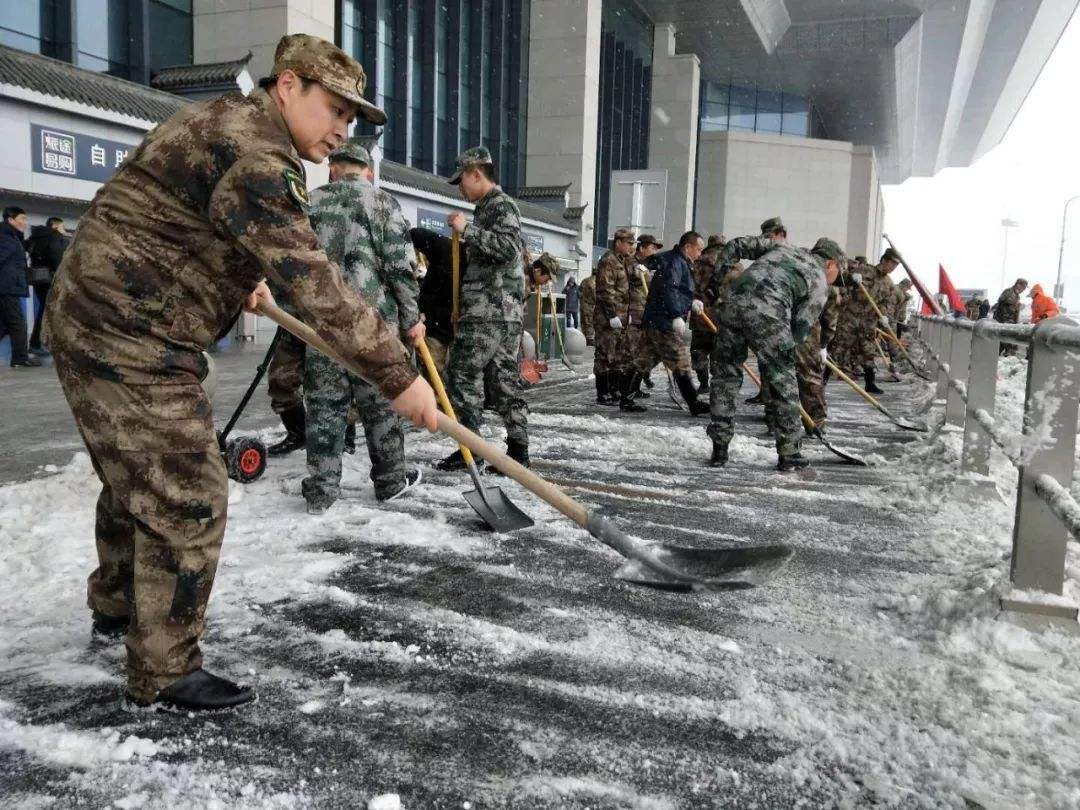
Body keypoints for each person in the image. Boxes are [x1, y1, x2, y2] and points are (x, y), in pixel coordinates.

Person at [41, 33, 438, 713]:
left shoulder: (226, 119)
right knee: (187, 489)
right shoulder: (258, 157)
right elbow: (317, 284)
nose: (344, 129)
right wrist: (400, 377)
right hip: (129, 329)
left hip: (108, 314)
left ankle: (117, 607)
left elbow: (177, 213)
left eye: (354, 119)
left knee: (137, 471)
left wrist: (235, 281)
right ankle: (162, 669)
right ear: (289, 87)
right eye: (335, 109)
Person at [303, 142, 426, 512]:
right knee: (381, 406)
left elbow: (292, 266)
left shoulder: (309, 202)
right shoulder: (383, 203)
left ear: (332, 168)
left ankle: (322, 490)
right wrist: (410, 321)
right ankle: (390, 481)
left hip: (322, 329)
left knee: (324, 408)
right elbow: (401, 269)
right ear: (365, 171)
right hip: (374, 329)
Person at [707, 236, 843, 471]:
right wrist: (781, 355)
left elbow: (737, 245)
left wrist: (719, 278)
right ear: (831, 264)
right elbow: (800, 328)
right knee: (783, 382)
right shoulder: (819, 281)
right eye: (837, 275)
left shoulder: (782, 246)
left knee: (725, 377)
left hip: (732, 303)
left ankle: (720, 449)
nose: (834, 281)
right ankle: (789, 451)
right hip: (769, 313)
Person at [436, 146, 530, 471]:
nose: (460, 187)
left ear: (476, 173)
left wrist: (467, 230)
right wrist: (462, 305)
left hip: (490, 311)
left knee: (461, 372)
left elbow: (506, 249)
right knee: (503, 380)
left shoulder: (500, 206)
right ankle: (518, 450)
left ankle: (470, 447)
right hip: (497, 310)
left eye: (461, 179)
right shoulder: (489, 208)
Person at [634, 231, 710, 415]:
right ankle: (694, 403)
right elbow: (669, 289)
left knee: (644, 359)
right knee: (680, 359)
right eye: (698, 249)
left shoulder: (678, 260)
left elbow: (680, 290)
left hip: (656, 319)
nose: (699, 253)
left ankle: (626, 398)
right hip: (663, 320)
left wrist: (690, 302)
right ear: (688, 247)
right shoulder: (676, 262)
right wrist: (676, 314)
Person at [592, 228, 634, 406]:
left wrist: (627, 314)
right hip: (607, 317)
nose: (631, 247)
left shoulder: (623, 261)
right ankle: (603, 391)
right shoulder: (609, 260)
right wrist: (611, 314)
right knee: (605, 355)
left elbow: (625, 291)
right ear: (618, 242)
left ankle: (614, 389)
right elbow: (605, 290)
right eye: (629, 243)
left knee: (618, 355)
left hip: (621, 315)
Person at [411, 227, 455, 379]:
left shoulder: (447, 250)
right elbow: (415, 234)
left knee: (436, 371)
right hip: (435, 325)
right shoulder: (446, 249)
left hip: (440, 328)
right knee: (434, 371)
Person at [0, 206, 41, 368]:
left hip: (8, 285)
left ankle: (20, 356)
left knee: (4, 324)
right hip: (7, 287)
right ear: (11, 220)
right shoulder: (5, 238)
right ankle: (20, 357)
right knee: (18, 323)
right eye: (22, 218)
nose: (25, 222)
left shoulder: (12, 236)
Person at [26, 216, 68, 355]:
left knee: (45, 310)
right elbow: (57, 258)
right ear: (55, 226)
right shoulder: (54, 237)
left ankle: (37, 343)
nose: (64, 229)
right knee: (51, 311)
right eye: (62, 226)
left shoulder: (36, 237)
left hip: (39, 278)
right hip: (51, 279)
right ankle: (37, 343)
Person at [994, 277, 1027, 356]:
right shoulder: (1009, 292)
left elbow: (1015, 310)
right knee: (1004, 339)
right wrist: (1014, 304)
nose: (1024, 289)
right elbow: (1001, 300)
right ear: (1018, 285)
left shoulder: (1017, 295)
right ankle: (1003, 353)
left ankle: (1005, 354)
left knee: (1005, 339)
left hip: (1010, 320)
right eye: (1023, 287)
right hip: (1003, 319)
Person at [579, 266, 596, 345]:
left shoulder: (585, 280)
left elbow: (579, 290)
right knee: (590, 322)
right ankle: (589, 339)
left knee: (583, 321)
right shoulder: (594, 281)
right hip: (590, 305)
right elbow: (594, 294)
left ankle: (583, 337)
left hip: (583, 304)